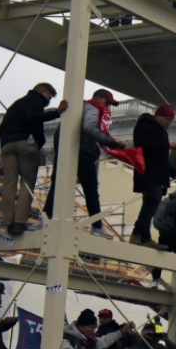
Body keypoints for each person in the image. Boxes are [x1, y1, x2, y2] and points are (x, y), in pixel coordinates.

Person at [43, 89, 128, 238]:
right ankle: (96, 226)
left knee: (57, 184)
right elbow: (89, 128)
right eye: (107, 103)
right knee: (91, 190)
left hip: (66, 150)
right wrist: (111, 141)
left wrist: (60, 150)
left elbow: (59, 132)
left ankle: (45, 218)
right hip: (83, 152)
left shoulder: (77, 108)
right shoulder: (93, 108)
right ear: (98, 98)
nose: (108, 107)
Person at [0, 83, 68, 234]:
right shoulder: (35, 100)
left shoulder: (16, 104)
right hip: (26, 144)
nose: (47, 102)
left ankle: (8, 221)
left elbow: (1, 128)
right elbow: (34, 117)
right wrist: (57, 112)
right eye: (48, 98)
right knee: (27, 184)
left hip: (7, 145)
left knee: (9, 183)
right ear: (42, 92)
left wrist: (6, 142)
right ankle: (19, 222)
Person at [130, 105, 176, 249]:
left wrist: (174, 172)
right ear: (158, 116)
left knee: (152, 204)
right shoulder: (145, 125)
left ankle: (144, 236)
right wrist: (168, 145)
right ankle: (138, 233)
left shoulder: (158, 131)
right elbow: (145, 145)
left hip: (155, 174)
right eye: (167, 119)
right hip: (148, 172)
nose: (169, 123)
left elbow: (161, 157)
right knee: (152, 201)